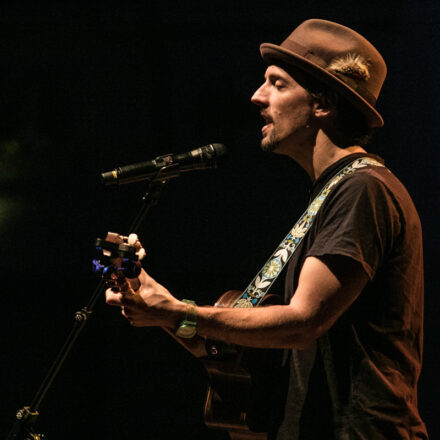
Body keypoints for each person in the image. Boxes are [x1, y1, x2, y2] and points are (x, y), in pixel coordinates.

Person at [106, 19, 428, 439]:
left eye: (277, 84)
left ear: (323, 103)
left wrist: (180, 313)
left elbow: (302, 322)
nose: (257, 97)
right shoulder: (331, 195)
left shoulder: (363, 188)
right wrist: (164, 307)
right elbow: (238, 352)